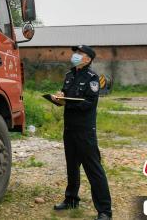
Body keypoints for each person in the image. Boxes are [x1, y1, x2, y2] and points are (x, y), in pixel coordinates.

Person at [51, 45, 112, 220]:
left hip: (85, 131)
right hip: (69, 129)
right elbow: (65, 96)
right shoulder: (69, 76)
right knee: (72, 167)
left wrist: (66, 103)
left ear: (88, 59)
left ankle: (104, 211)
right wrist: (58, 98)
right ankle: (71, 199)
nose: (75, 56)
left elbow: (89, 103)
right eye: (75, 53)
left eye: (80, 53)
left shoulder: (92, 79)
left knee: (93, 169)